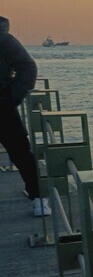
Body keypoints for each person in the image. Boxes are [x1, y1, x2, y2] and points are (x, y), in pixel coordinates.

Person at [0, 15, 49, 216]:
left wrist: (11, 97)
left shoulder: (3, 40)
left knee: (20, 152)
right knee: (21, 152)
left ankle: (38, 199)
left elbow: (28, 67)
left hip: (2, 107)